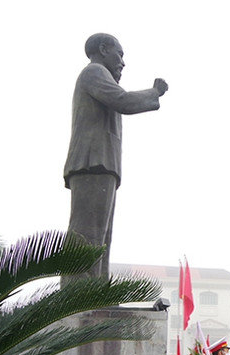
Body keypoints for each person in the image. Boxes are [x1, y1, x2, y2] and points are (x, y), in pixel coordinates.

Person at [63, 33, 168, 280]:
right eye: (119, 54)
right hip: (92, 162)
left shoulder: (99, 75)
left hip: (101, 164)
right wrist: (154, 92)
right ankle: (77, 293)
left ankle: (97, 291)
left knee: (100, 237)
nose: (123, 62)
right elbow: (123, 101)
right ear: (103, 49)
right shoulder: (94, 72)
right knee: (87, 234)